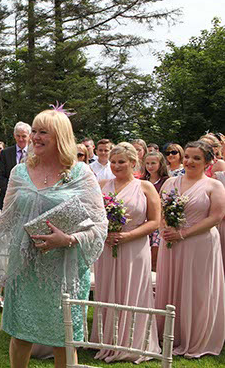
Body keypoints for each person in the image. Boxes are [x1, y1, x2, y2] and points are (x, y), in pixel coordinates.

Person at [0, 109, 107, 368]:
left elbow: (99, 224)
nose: (34, 137)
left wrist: (68, 240)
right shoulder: (19, 172)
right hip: (25, 266)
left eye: (42, 132)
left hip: (62, 269)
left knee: (63, 338)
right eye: (34, 131)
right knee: (20, 333)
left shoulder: (80, 173)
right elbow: (7, 217)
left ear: (60, 136)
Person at [91, 143, 161, 362]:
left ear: (133, 162)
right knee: (107, 288)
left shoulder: (145, 187)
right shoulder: (102, 185)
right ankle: (107, 339)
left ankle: (133, 341)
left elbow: (155, 221)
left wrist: (129, 236)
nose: (116, 166)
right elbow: (93, 217)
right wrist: (105, 234)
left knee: (133, 291)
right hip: (107, 246)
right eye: (113, 162)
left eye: (121, 162)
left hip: (135, 246)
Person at [155, 141, 225, 358]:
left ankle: (196, 337)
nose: (189, 161)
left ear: (207, 162)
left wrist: (184, 233)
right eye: (187, 157)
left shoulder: (214, 186)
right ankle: (170, 334)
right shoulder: (170, 183)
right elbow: (161, 210)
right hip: (172, 243)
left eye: (196, 158)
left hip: (199, 244)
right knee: (171, 285)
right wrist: (165, 229)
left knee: (197, 289)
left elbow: (216, 217)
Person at [142, 151, 169, 269]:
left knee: (156, 254)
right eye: (147, 163)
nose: (150, 166)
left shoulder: (167, 181)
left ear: (160, 164)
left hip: (159, 221)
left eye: (153, 163)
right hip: (144, 220)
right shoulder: (141, 181)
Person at [0, 122, 30, 210]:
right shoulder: (5, 153)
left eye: (24, 136)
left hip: (29, 198)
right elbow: (0, 176)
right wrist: (12, 190)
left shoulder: (34, 153)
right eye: (18, 136)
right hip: (8, 198)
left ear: (29, 136)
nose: (21, 139)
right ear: (14, 136)